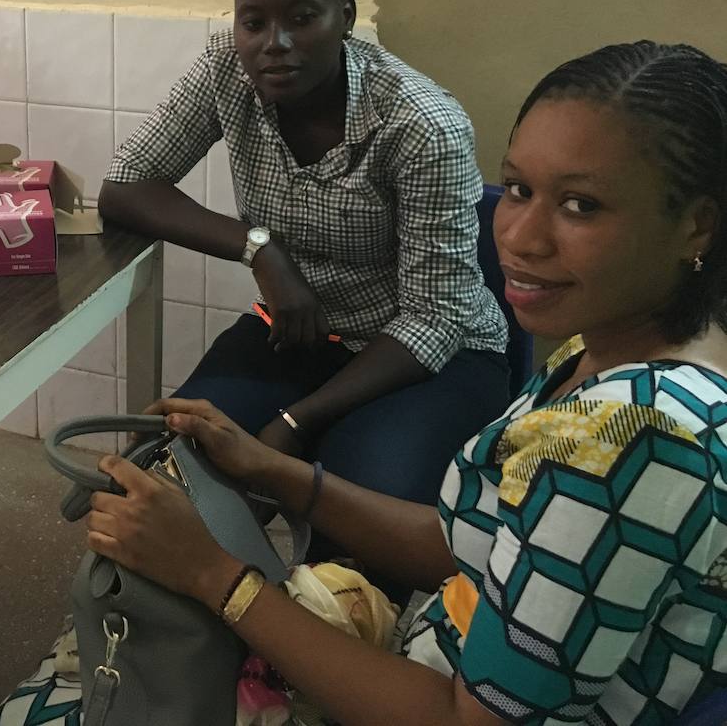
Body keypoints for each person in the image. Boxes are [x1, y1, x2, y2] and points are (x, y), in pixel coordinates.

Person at [79, 41, 727, 723]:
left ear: (696, 225)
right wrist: (273, 469)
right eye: (520, 189)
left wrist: (215, 576)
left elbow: (462, 719)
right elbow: (473, 537)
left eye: (582, 205)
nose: (521, 237)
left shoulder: (629, 446)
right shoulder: (606, 355)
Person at [100, 0, 509, 508]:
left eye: (301, 18)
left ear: (344, 16)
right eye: (254, 22)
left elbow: (436, 317)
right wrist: (260, 248)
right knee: (173, 470)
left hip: (429, 356)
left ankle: (299, 597)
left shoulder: (421, 125)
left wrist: (295, 421)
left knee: (352, 500)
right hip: (297, 336)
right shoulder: (228, 71)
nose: (275, 42)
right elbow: (126, 186)